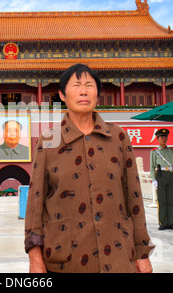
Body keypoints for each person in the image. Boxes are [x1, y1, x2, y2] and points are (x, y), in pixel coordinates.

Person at [24, 64, 154, 273]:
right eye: (76, 85)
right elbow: (35, 202)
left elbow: (134, 199)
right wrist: (34, 256)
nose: (83, 91)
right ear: (62, 95)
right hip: (65, 259)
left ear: (97, 94)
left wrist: (142, 252)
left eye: (89, 85)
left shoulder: (118, 137)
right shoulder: (48, 140)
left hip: (118, 257)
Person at [150, 129, 173, 231]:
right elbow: (152, 166)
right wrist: (154, 179)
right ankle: (163, 222)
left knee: (171, 200)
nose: (164, 139)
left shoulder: (171, 152)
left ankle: (171, 222)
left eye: (165, 137)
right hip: (160, 175)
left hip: (170, 175)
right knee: (162, 200)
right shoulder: (154, 152)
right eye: (161, 137)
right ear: (157, 139)